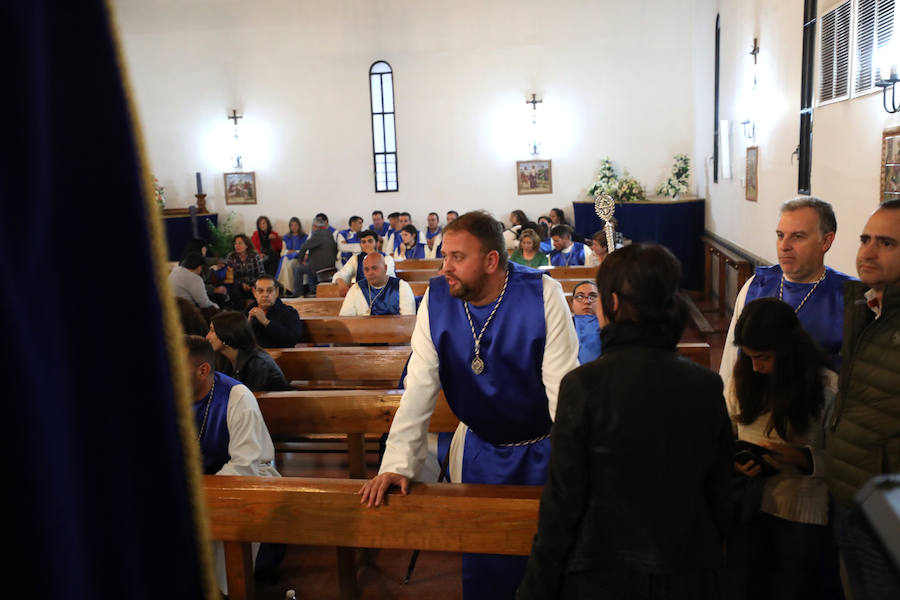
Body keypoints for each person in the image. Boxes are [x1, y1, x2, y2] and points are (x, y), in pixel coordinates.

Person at [359, 211, 579, 600]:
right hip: (478, 450)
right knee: (484, 567)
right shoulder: (436, 300)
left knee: (546, 563)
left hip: (544, 451)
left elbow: (565, 393)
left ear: (492, 261)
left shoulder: (543, 295)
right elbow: (419, 386)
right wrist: (396, 464)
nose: (446, 268)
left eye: (458, 257)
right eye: (445, 256)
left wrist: (579, 472)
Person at [517, 243, 733, 600]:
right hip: (687, 573)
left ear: (613, 304)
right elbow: (722, 492)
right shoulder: (705, 385)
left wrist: (535, 588)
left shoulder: (584, 385)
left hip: (603, 574)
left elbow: (562, 503)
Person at [718, 298, 836, 600]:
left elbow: (845, 461)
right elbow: (725, 434)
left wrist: (801, 457)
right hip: (749, 506)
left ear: (789, 351)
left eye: (764, 358)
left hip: (801, 513)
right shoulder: (743, 378)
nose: (756, 368)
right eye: (749, 357)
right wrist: (735, 458)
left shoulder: (826, 387)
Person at [826, 199, 900, 600]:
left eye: (886, 243)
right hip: (852, 496)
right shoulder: (868, 307)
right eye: (865, 239)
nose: (867, 252)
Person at [185, 334, 281, 594]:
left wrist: (199, 492)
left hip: (243, 481)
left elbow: (246, 463)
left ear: (202, 370)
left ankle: (227, 588)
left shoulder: (237, 398)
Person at [720, 197, 854, 383]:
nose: (784, 246)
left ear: (826, 241)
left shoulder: (849, 296)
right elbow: (731, 361)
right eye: (780, 235)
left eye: (798, 237)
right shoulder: (756, 286)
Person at [207, 311, 293, 391]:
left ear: (227, 334)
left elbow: (251, 398)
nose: (207, 337)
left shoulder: (257, 362)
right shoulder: (225, 359)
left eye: (212, 331)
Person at [339, 252, 416, 316]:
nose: (370, 273)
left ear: (385, 268)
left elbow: (408, 322)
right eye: (366, 270)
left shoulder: (401, 287)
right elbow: (346, 320)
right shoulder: (356, 289)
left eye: (374, 268)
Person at [244, 275, 305, 347]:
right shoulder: (247, 312)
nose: (265, 295)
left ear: (276, 292)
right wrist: (247, 326)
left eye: (269, 291)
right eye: (260, 291)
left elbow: (292, 339)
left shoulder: (289, 312)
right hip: (253, 356)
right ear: (254, 293)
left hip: (282, 356)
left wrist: (266, 322)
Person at [332, 229, 396, 296]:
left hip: (385, 296)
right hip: (362, 297)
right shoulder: (356, 258)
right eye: (363, 242)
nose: (366, 245)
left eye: (370, 241)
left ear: (377, 243)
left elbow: (384, 278)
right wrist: (340, 280)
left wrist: (371, 256)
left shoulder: (387, 258)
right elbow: (343, 273)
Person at [292, 216, 339, 297]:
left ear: (315, 226)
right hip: (331, 266)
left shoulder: (317, 234)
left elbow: (304, 248)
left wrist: (300, 261)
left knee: (298, 269)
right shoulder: (329, 233)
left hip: (320, 268)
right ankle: (313, 290)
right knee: (310, 264)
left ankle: (298, 294)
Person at [227, 233, 266, 309]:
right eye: (235, 244)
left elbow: (261, 273)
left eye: (240, 243)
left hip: (254, 283)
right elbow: (230, 277)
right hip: (238, 284)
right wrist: (242, 284)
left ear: (246, 245)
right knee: (235, 288)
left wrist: (252, 284)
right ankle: (239, 313)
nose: (237, 246)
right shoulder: (231, 257)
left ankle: (253, 312)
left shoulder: (254, 256)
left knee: (258, 288)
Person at [570, 280, 602, 364]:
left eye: (593, 296)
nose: (587, 301)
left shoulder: (608, 326)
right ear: (572, 304)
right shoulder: (564, 325)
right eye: (580, 296)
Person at [276, 217, 307, 296]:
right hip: (287, 257)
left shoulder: (304, 237)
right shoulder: (286, 237)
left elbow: (305, 250)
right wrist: (288, 252)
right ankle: (287, 288)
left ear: (299, 226)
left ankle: (289, 288)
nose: (294, 227)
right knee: (285, 261)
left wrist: (295, 252)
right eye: (292, 225)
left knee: (289, 264)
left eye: (296, 225)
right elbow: (283, 252)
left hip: (298, 258)